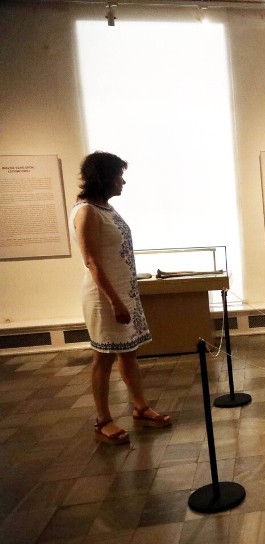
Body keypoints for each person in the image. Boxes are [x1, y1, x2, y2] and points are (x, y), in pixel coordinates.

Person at [70, 151, 171, 445]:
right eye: (118, 175)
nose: (123, 181)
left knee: (129, 353)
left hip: (122, 293)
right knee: (103, 358)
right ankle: (103, 420)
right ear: (103, 178)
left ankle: (140, 406)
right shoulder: (87, 211)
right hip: (104, 297)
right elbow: (91, 261)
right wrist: (114, 301)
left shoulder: (105, 208)